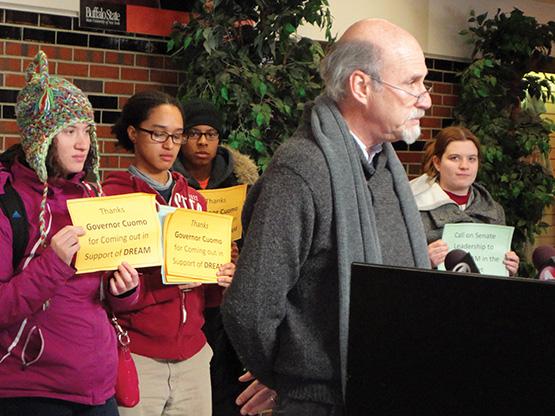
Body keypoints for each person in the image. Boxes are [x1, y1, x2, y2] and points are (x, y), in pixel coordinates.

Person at [221, 18, 431, 415]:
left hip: (390, 391)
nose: (425, 99)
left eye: (425, 83)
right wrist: (294, 379)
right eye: (413, 83)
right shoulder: (301, 170)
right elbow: (249, 307)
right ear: (360, 86)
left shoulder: (387, 169)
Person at [0, 51, 139, 415]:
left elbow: (110, 303)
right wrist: (53, 264)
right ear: (41, 137)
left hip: (98, 389)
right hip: (31, 391)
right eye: (68, 130)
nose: (83, 143)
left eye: (86, 131)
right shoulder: (8, 201)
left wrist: (124, 290)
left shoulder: (94, 197)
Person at [103, 90, 236, 416]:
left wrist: (222, 276)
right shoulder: (111, 197)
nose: (169, 145)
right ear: (133, 133)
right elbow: (105, 288)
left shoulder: (194, 199)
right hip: (137, 354)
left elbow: (209, 297)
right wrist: (164, 280)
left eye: (177, 136)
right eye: (158, 134)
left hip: (192, 354)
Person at [172, 98, 260, 416]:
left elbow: (258, 238)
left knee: (227, 382)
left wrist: (241, 253)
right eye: (195, 133)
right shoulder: (170, 182)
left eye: (210, 134)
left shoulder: (241, 183)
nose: (203, 141)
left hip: (229, 295)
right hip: (186, 295)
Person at [410, 125, 520, 275]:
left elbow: (500, 279)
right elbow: (392, 263)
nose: (464, 166)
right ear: (437, 163)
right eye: (454, 158)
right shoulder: (413, 208)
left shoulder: (494, 211)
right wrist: (423, 260)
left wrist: (510, 269)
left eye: (471, 159)